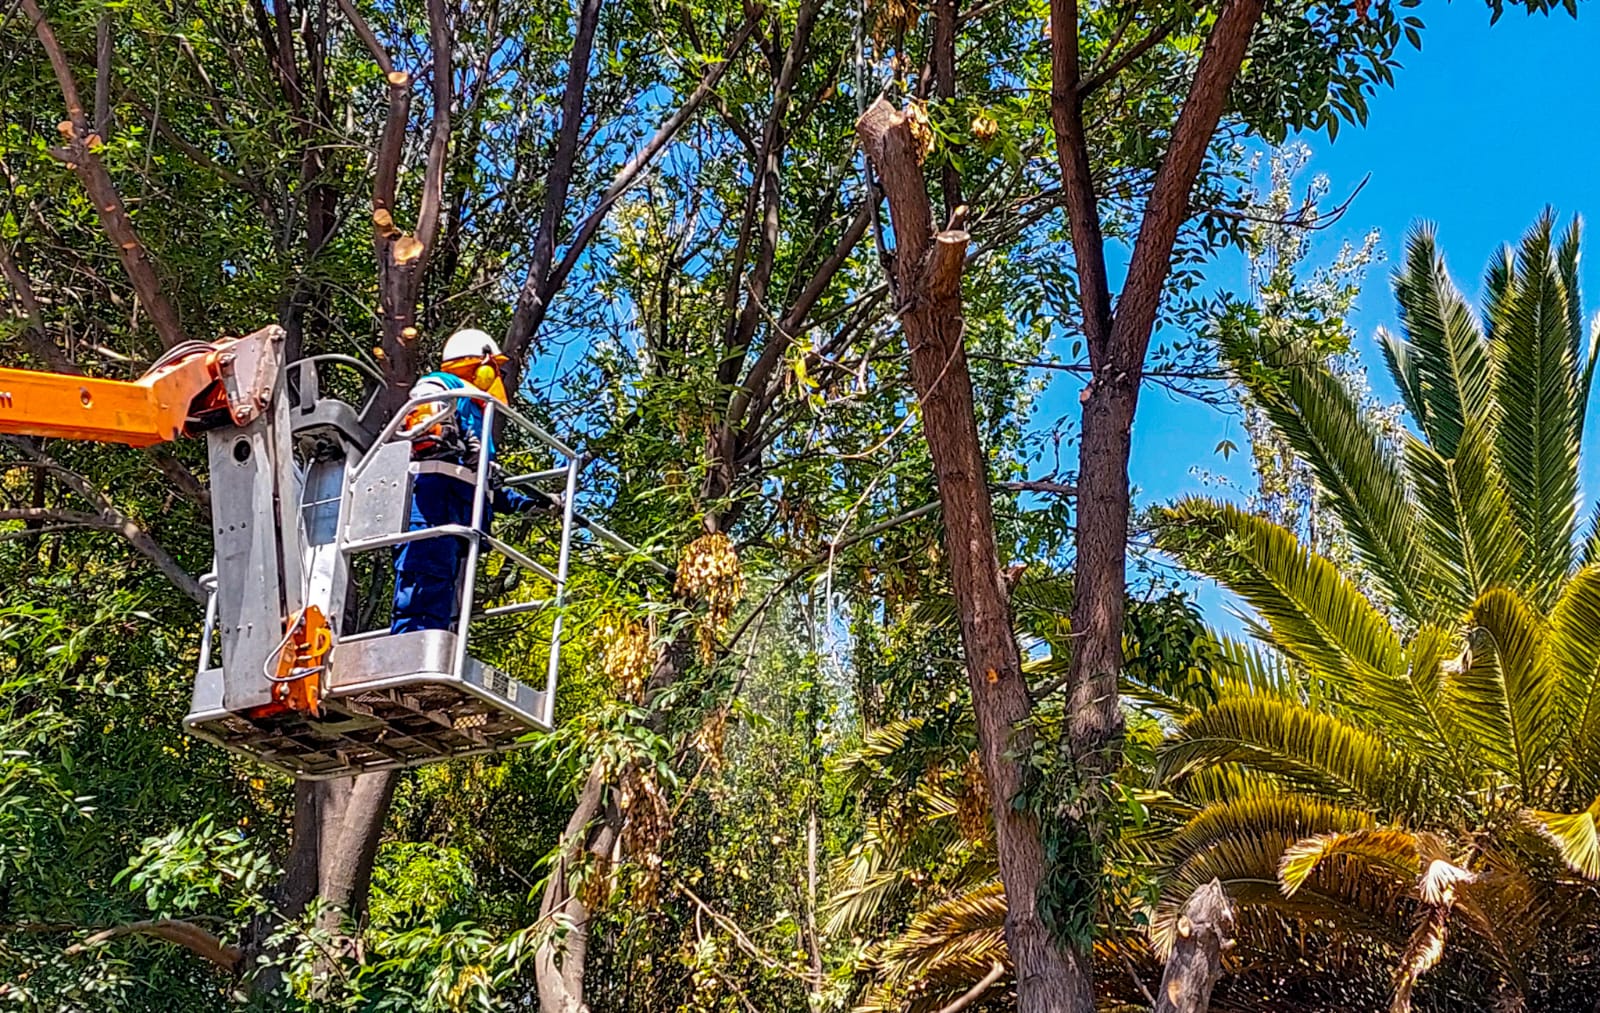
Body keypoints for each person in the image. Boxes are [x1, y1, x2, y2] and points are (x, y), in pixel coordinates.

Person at [391, 328, 549, 635]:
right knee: (421, 588)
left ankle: (434, 649)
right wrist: (454, 437)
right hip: (432, 509)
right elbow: (424, 419)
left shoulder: (480, 412)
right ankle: (409, 647)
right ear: (481, 363)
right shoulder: (444, 385)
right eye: (494, 368)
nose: (497, 376)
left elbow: (486, 486)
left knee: (446, 601)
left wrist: (534, 503)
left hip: (459, 518)